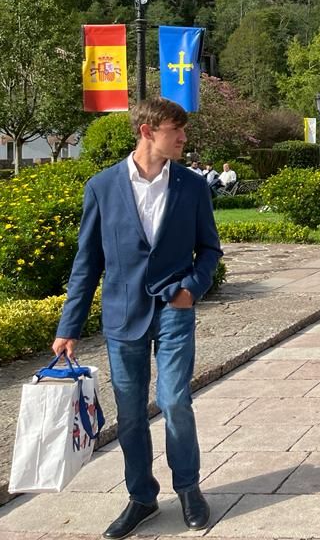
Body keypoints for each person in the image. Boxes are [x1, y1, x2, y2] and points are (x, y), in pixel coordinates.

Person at [52, 98, 223, 539]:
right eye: (175, 130)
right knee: (129, 414)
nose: (184, 137)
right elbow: (87, 261)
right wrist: (69, 326)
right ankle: (142, 497)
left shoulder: (192, 186)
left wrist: (192, 288)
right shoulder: (103, 187)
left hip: (173, 309)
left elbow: (209, 249)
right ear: (147, 132)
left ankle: (188, 488)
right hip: (122, 315)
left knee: (174, 401)